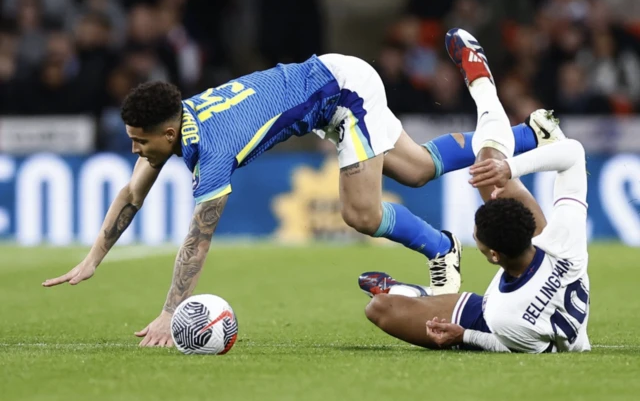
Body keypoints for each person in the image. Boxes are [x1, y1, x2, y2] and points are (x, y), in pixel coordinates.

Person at [42, 33, 553, 347]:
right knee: (418, 169)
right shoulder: (176, 122)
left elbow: (198, 240)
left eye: (138, 142)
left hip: (341, 93)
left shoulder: (212, 152)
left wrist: (172, 309)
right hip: (329, 84)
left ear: (168, 134)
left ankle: (440, 246)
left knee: (360, 214)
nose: (135, 151)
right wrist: (94, 257)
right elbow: (132, 195)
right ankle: (534, 134)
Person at [360, 29, 590, 353]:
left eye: (476, 237)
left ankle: (417, 294)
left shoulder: (501, 313)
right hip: (529, 308)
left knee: (380, 308)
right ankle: (492, 94)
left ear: (493, 256)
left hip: (511, 320)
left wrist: (464, 336)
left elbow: (513, 346)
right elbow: (574, 153)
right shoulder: (562, 244)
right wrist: (510, 169)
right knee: (488, 173)